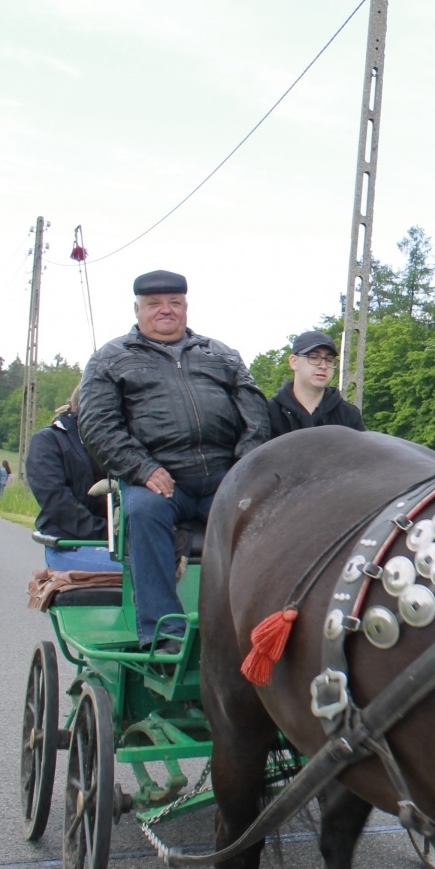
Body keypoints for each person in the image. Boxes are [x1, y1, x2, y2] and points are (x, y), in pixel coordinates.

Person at [80, 270, 269, 651]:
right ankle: (165, 633)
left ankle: (254, 628)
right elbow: (97, 424)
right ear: (137, 309)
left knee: (266, 513)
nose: (166, 310)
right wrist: (142, 468)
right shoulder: (109, 359)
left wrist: (244, 467)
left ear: (185, 306)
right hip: (158, 480)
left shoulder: (222, 354)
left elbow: (257, 414)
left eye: (175, 303)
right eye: (154, 304)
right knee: (144, 512)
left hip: (223, 476)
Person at [26, 388, 115, 573]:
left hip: (113, 543)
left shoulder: (111, 445)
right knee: (147, 571)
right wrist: (109, 532)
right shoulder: (47, 441)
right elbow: (58, 503)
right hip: (69, 545)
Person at [266, 330, 366, 437]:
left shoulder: (348, 415)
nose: (323, 365)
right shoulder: (268, 413)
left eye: (329, 359)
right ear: (294, 362)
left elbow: (362, 452)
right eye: (313, 357)